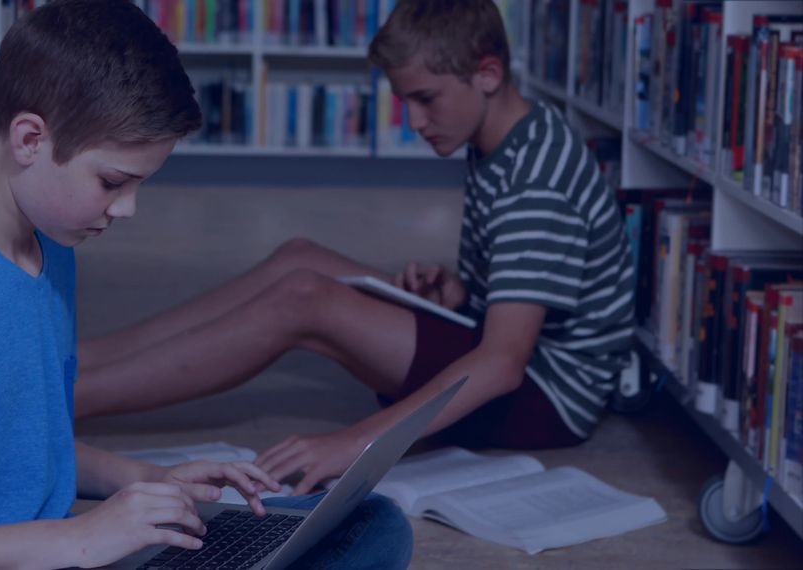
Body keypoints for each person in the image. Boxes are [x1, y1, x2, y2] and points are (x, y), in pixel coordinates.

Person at [0, 1, 412, 569]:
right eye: (111, 182)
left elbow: (21, 453)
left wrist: (149, 482)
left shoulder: (50, 242)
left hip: (60, 549)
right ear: (29, 140)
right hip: (29, 555)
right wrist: (77, 537)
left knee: (371, 522)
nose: (126, 209)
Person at [76, 0, 635, 496]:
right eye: (404, 101)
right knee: (301, 257)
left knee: (304, 299)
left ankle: (61, 402)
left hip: (549, 394)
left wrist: (356, 446)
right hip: (516, 345)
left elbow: (503, 363)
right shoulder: (509, 134)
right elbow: (529, 279)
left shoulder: (534, 181)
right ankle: (82, 361)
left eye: (426, 99)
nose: (414, 121)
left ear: (488, 74)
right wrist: (459, 290)